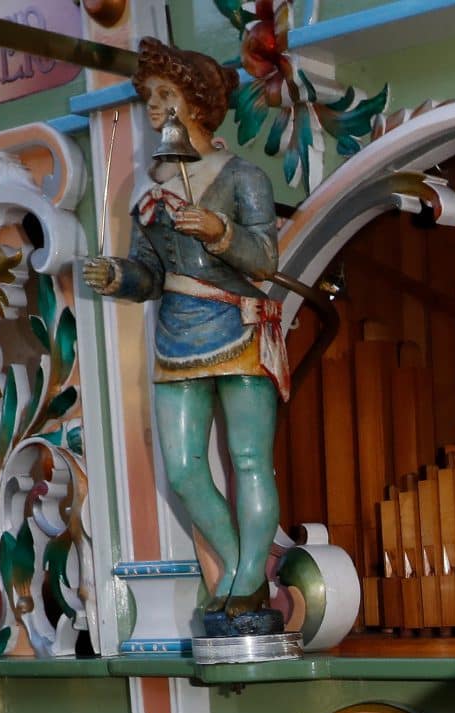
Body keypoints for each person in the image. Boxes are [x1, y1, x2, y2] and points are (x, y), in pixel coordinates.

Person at [79, 39, 288, 638]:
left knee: (249, 460)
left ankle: (245, 584)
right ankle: (244, 569)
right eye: (149, 95)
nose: (153, 106)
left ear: (196, 104)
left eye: (165, 94)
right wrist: (118, 277)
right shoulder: (152, 191)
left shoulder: (242, 177)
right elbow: (150, 275)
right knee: (184, 470)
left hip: (236, 327)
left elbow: (266, 260)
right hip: (176, 334)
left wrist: (219, 230)